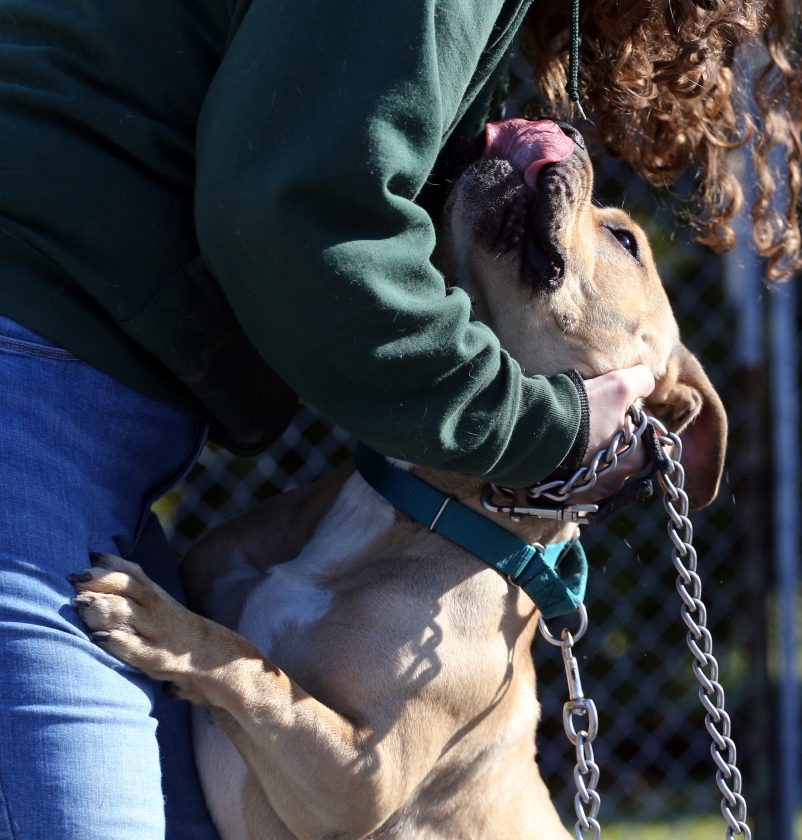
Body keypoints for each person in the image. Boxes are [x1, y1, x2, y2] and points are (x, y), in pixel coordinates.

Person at [0, 1, 797, 838]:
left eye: (622, 240)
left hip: (97, 396)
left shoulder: (451, 626)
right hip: (45, 351)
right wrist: (544, 429)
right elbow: (301, 212)